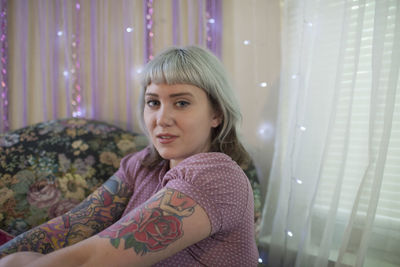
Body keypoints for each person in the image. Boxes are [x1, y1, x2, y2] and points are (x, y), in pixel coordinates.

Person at [0, 46, 258, 266]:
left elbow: (93, 259)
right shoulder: (143, 164)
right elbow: (70, 226)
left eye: (181, 103)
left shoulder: (218, 177)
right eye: (153, 102)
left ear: (217, 114)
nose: (161, 119)